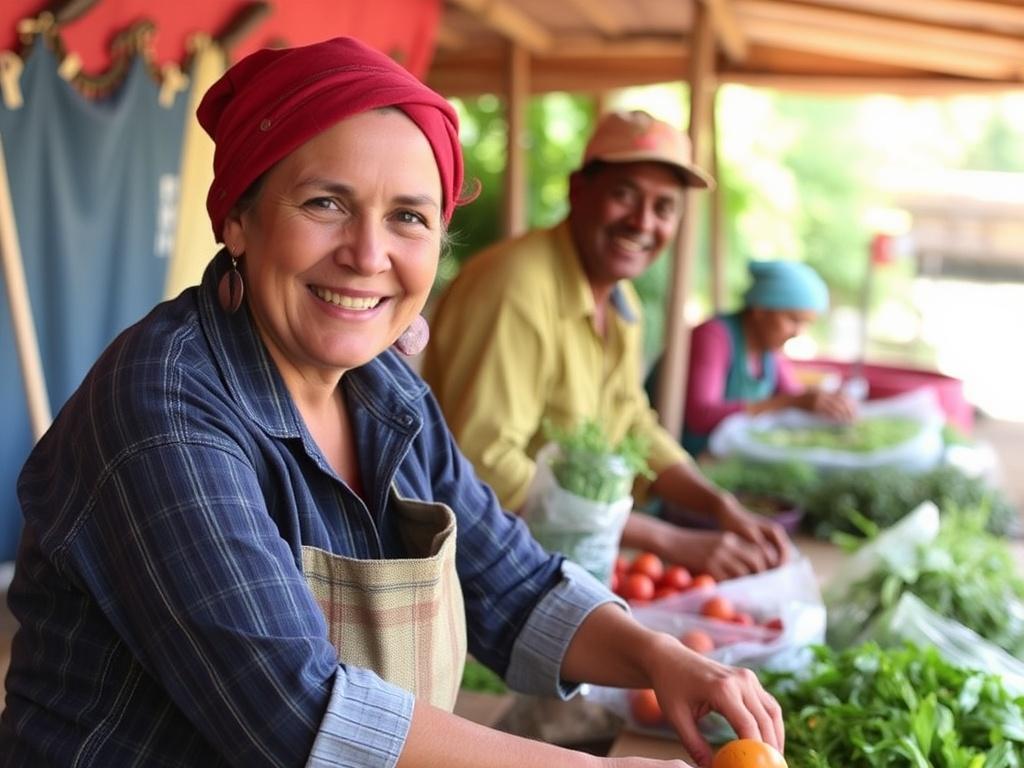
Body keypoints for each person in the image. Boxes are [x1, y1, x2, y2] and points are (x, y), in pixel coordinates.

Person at [0, 39, 783, 768]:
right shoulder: (162, 408)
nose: (368, 255)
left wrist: (660, 655)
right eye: (325, 204)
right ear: (236, 217)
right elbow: (299, 711)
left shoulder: (385, 386)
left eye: (408, 216)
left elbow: (507, 579)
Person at [422, 110, 788, 582]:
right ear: (579, 190)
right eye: (624, 195)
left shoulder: (619, 299)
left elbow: (632, 424)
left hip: (555, 554)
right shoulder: (517, 286)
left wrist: (719, 504)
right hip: (478, 568)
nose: (642, 222)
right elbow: (486, 466)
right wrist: (665, 538)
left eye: (664, 208)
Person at [647, 259, 858, 458]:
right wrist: (792, 402)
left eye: (806, 324)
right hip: (671, 459)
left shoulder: (769, 352)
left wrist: (826, 403)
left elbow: (795, 396)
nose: (798, 332)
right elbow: (701, 415)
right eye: (793, 320)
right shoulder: (712, 336)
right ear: (761, 310)